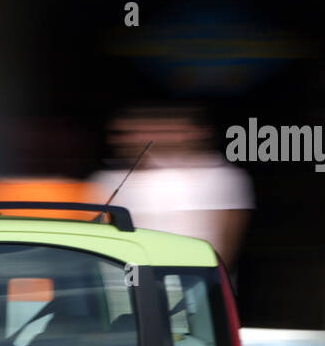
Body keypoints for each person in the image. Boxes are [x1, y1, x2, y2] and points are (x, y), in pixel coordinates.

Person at [91, 105, 254, 268]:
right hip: (123, 281)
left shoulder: (221, 177)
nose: (139, 137)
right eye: (130, 132)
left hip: (193, 279)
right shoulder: (106, 180)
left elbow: (228, 245)